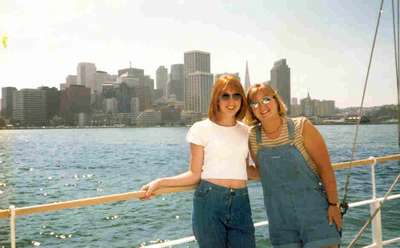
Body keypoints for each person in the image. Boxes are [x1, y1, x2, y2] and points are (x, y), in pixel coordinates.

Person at [141, 75, 256, 248]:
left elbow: (247, 169)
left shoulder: (247, 132)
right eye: (225, 95)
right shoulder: (201, 129)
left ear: (242, 99)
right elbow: (194, 174)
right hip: (209, 202)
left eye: (236, 95)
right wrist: (160, 182)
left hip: (241, 202)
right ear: (216, 99)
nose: (231, 101)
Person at [246, 83, 341, 248]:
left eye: (266, 99)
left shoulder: (302, 126)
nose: (262, 107)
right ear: (251, 110)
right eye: (255, 103)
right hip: (280, 220)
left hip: (316, 214)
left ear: (276, 101)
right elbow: (263, 173)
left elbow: (325, 169)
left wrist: (334, 205)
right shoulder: (253, 138)